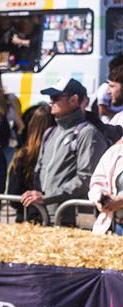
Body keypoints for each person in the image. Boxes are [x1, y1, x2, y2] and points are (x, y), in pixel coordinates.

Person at [20, 79, 109, 214]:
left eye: (55, 97)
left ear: (74, 100)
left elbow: (86, 179)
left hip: (71, 219)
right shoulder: (50, 133)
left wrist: (46, 197)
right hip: (46, 215)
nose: (51, 101)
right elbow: (39, 171)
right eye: (50, 97)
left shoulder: (88, 133)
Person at [86, 130, 123, 233]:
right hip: (114, 226)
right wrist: (101, 198)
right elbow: (97, 182)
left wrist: (121, 201)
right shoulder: (115, 151)